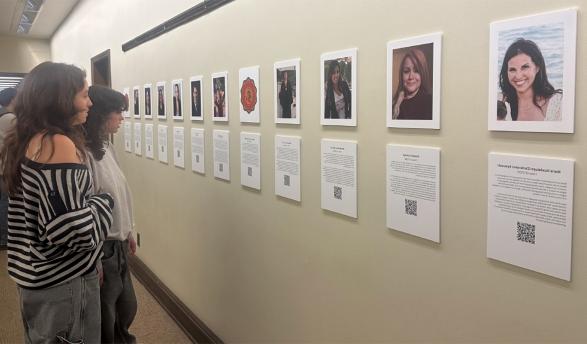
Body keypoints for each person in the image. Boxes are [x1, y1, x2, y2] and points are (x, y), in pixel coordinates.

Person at [0, 62, 114, 343]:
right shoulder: (57, 143)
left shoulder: (28, 137)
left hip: (37, 277)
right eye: (84, 95)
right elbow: (73, 232)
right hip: (63, 283)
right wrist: (105, 203)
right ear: (60, 100)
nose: (90, 102)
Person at [84, 85, 137, 344]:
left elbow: (121, 192)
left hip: (118, 244)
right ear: (103, 114)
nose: (121, 118)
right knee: (106, 315)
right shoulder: (84, 153)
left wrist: (129, 229)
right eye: (118, 112)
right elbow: (86, 207)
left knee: (126, 307)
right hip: (102, 248)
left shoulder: (106, 147)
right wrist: (92, 256)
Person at [498, 38, 562, 121]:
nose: (518, 76)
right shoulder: (499, 100)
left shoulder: (557, 103)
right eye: (512, 69)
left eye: (525, 67)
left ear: (537, 68)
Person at [392, 47, 433, 120]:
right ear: (401, 74)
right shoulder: (395, 102)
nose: (411, 77)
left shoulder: (430, 102)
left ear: (423, 73)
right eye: (406, 71)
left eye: (416, 71)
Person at [0, 87, 17, 248]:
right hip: (4, 167)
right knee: (6, 201)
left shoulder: (2, 115)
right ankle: (4, 238)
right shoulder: (10, 118)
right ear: (12, 99)